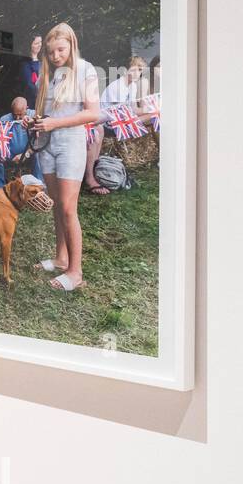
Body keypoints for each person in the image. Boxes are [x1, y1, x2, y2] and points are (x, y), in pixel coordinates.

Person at [27, 23, 100, 291]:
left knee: (69, 208)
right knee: (58, 204)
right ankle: (60, 258)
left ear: (71, 44)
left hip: (70, 143)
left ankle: (75, 272)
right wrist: (35, 122)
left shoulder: (86, 70)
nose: (56, 55)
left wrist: (54, 124)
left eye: (61, 49)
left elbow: (93, 113)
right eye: (51, 51)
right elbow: (47, 114)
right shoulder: (50, 73)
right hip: (47, 144)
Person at [84, 55, 148, 194]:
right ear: (126, 70)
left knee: (153, 115)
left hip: (120, 118)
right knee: (148, 117)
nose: (138, 73)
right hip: (107, 122)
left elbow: (135, 110)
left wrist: (147, 107)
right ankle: (95, 168)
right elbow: (119, 114)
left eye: (140, 70)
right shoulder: (117, 86)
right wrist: (143, 114)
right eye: (135, 69)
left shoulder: (133, 86)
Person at [0, 96, 36, 190]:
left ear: (26, 108)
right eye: (15, 114)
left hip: (29, 152)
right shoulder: (5, 119)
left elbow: (40, 142)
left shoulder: (34, 115)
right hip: (10, 153)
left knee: (40, 155)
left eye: (20, 114)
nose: (17, 117)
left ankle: (38, 186)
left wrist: (25, 154)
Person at [20, 35, 43, 112]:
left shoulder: (42, 60)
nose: (39, 45)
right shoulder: (25, 63)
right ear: (30, 45)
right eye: (36, 43)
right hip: (33, 100)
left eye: (40, 42)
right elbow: (29, 85)